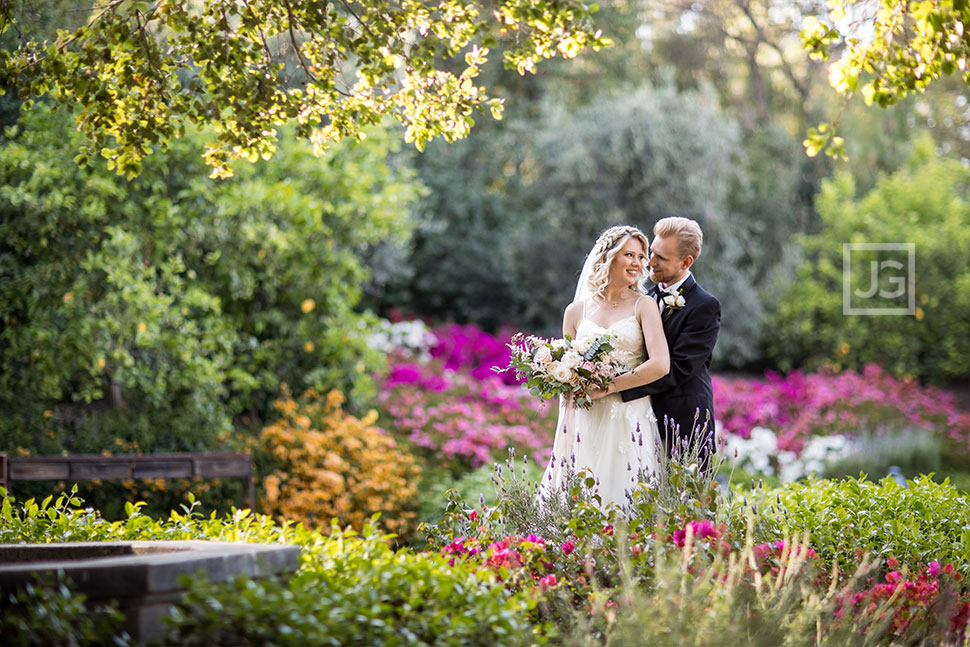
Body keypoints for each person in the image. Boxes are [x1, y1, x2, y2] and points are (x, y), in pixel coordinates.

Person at [538, 226, 670, 511]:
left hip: (627, 414)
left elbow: (660, 364)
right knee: (580, 497)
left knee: (623, 499)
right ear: (608, 258)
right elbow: (567, 366)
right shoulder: (576, 311)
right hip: (585, 416)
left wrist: (609, 387)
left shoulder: (644, 306)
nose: (638, 263)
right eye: (629, 255)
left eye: (641, 256)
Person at [618, 217, 721, 470]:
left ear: (686, 262)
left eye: (661, 258)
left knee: (686, 506)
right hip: (639, 420)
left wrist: (618, 387)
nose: (650, 262)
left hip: (685, 423)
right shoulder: (644, 298)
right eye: (652, 252)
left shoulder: (705, 306)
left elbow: (679, 368)